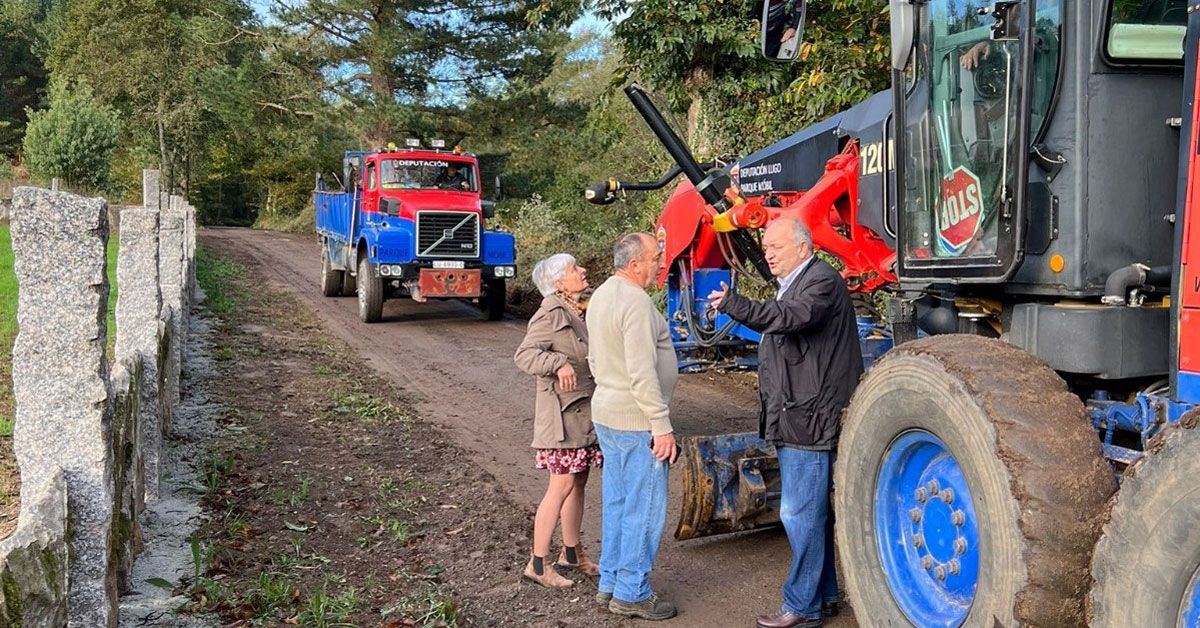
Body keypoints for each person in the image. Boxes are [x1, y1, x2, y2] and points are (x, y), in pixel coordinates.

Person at [707, 217, 863, 628]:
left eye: (776, 246)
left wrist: (735, 305)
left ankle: (802, 607)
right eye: (767, 247)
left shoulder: (821, 282)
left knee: (799, 513)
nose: (768, 253)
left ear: (803, 247)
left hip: (809, 418)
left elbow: (792, 317)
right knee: (813, 514)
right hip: (797, 415)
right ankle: (824, 596)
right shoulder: (800, 282)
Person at [586, 233, 679, 621]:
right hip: (637, 420)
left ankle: (610, 582)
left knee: (619, 503)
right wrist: (661, 425)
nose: (660, 263)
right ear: (635, 264)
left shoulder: (602, 295)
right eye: (656, 257)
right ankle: (632, 592)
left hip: (609, 412)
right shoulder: (636, 302)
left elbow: (594, 358)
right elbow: (642, 373)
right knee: (644, 508)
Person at [514, 253, 601, 588]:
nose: (582, 271)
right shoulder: (550, 311)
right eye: (574, 269)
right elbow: (524, 354)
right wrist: (557, 363)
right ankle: (538, 564)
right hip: (561, 418)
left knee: (578, 482)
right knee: (561, 485)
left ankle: (571, 552)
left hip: (580, 413)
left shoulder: (574, 310)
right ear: (558, 282)